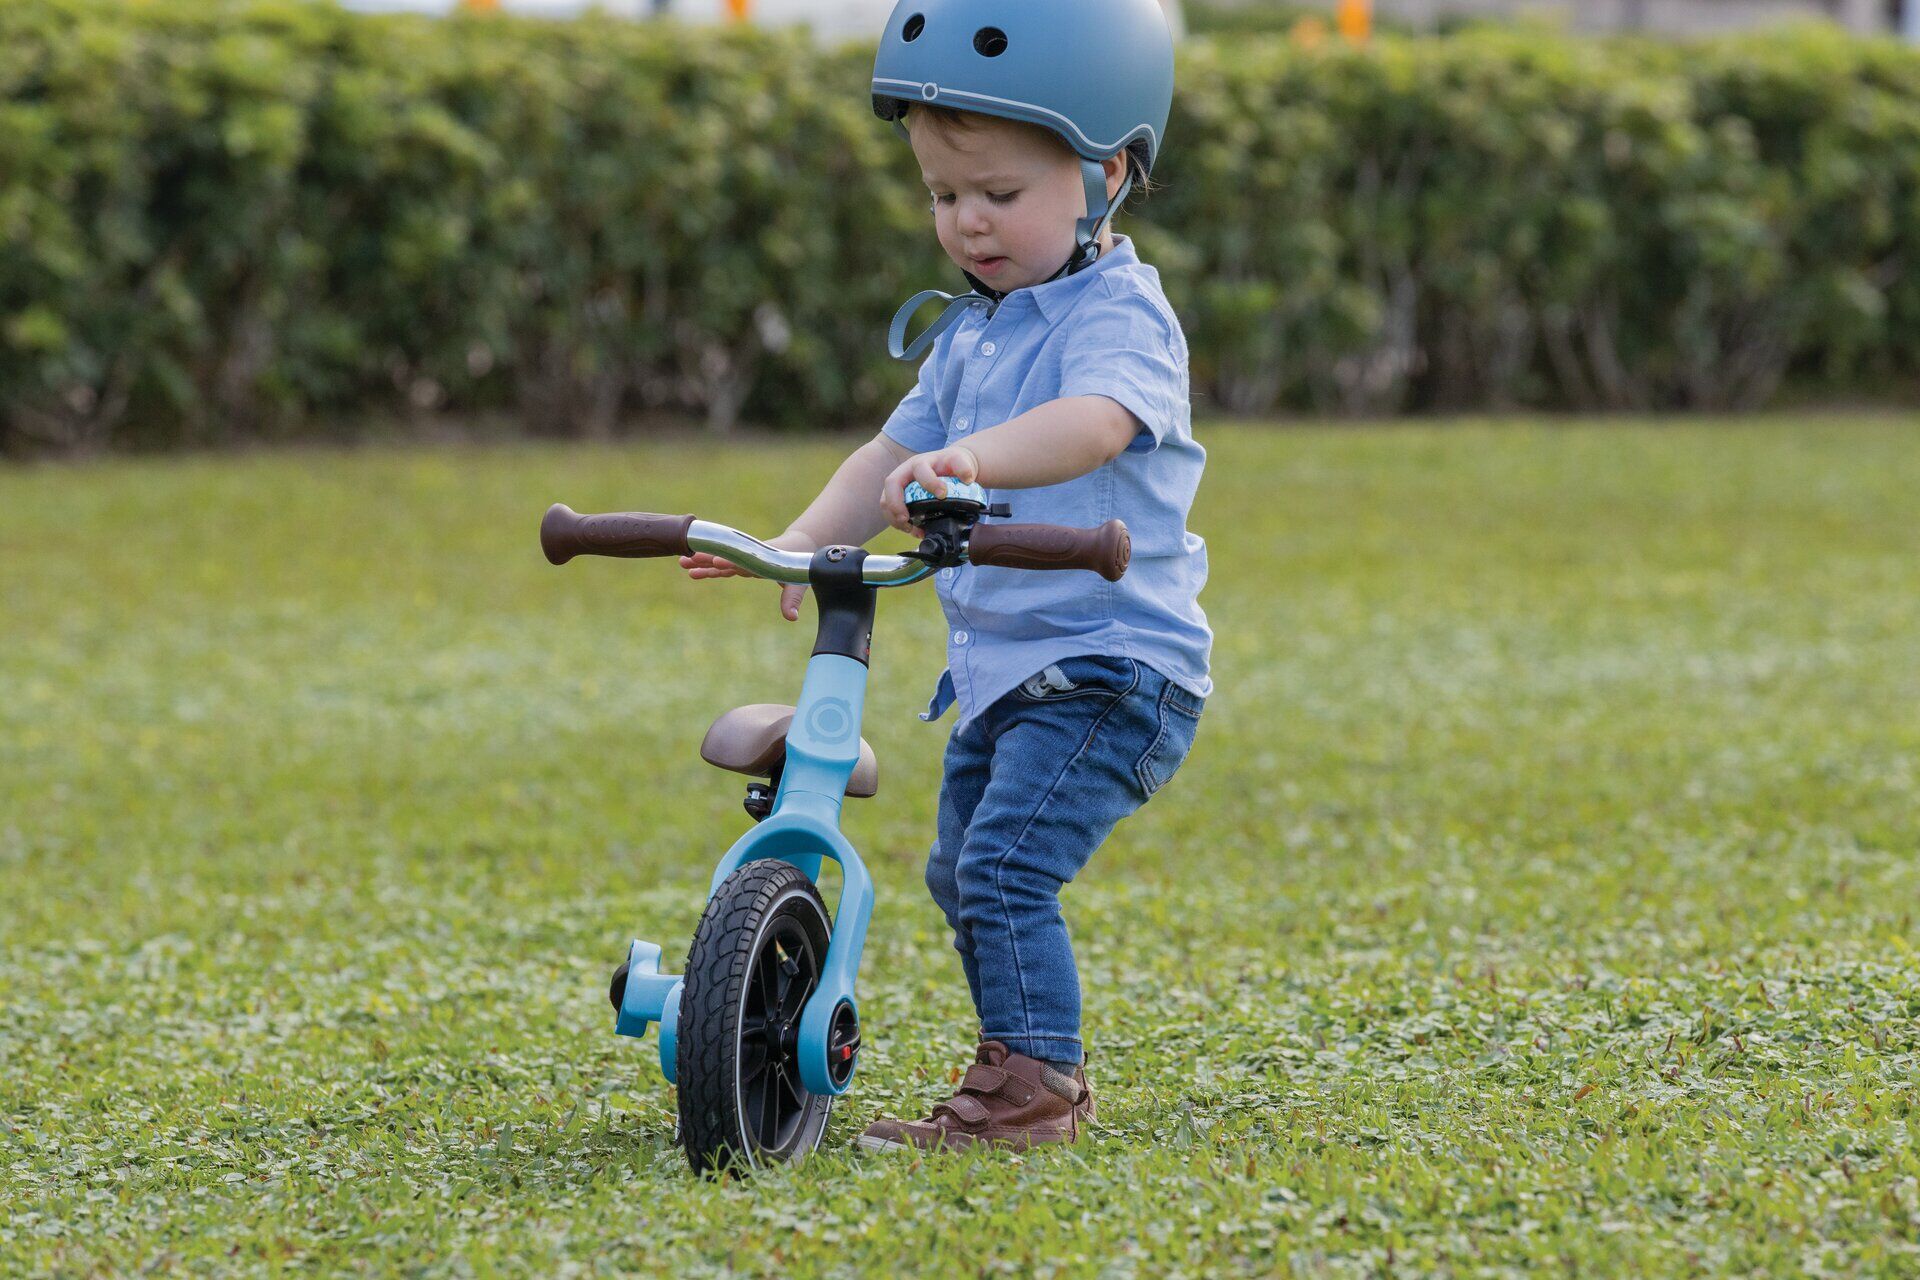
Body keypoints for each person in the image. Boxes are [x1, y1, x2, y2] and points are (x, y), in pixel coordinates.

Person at [679, 0, 1211, 1152]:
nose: (967, 222)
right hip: (1014, 669)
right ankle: (1024, 1069)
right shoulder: (976, 328)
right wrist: (796, 536)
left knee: (1004, 864)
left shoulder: (1121, 312)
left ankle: (1033, 1095)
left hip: (1114, 664)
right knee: (962, 870)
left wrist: (976, 460)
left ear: (1107, 173)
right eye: (941, 195)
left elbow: (1096, 422)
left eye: (999, 195)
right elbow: (888, 448)